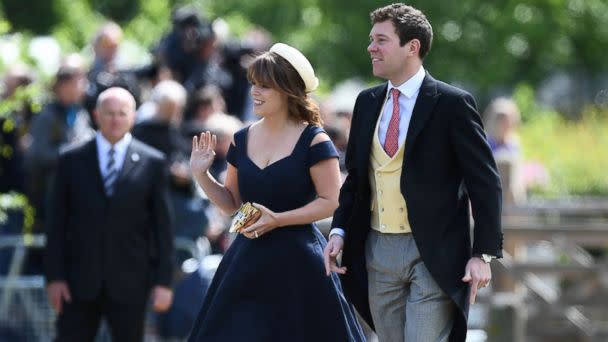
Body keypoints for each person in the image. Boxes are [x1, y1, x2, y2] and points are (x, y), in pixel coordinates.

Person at [323, 4, 503, 342]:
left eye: (381, 40)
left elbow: (486, 183)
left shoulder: (452, 103)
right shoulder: (366, 102)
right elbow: (357, 181)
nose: (371, 48)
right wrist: (340, 231)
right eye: (371, 40)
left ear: (412, 46)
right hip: (377, 250)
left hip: (433, 253)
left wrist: (482, 254)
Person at [187, 43, 365, 341]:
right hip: (246, 260)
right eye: (254, 84)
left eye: (265, 86)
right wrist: (200, 174)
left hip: (299, 264)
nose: (255, 92)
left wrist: (279, 219)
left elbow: (331, 201)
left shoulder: (314, 139)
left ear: (287, 90)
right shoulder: (241, 138)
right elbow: (232, 204)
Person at [44, 87, 174, 341]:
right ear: (96, 115)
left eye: (122, 113)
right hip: (77, 283)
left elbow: (163, 227)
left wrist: (164, 282)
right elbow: (56, 223)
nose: (115, 119)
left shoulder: (152, 162)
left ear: (133, 116)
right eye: (109, 113)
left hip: (130, 283)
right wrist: (55, 277)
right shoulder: (71, 159)